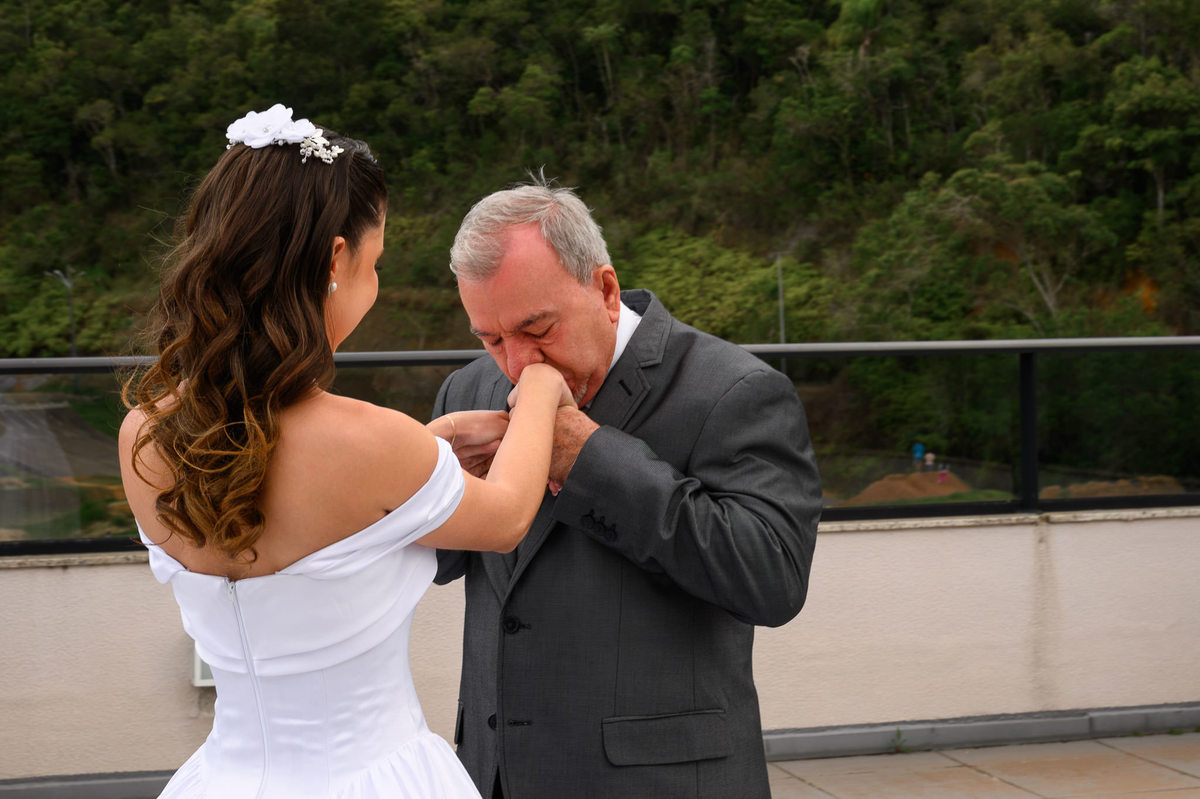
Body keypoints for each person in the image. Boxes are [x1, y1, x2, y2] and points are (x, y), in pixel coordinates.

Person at [118, 105, 572, 799]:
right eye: (376, 260)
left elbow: (290, 502)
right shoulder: (370, 440)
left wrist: (428, 448)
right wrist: (539, 383)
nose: (376, 280)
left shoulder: (144, 433)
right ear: (336, 258)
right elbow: (508, 514)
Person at [432, 178, 822, 799]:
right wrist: (430, 487)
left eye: (538, 329)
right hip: (496, 773)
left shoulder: (736, 390)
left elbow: (771, 578)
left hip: (663, 781)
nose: (516, 364)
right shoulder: (467, 389)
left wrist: (589, 460)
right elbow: (442, 565)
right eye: (491, 338)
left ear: (606, 291)